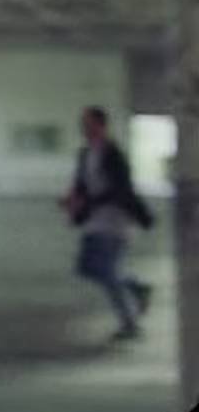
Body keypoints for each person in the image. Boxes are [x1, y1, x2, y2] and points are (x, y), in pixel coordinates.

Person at [61, 106, 154, 341]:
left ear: (101, 125)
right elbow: (81, 183)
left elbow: (120, 188)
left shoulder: (113, 153)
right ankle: (135, 288)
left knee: (107, 270)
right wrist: (73, 199)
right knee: (86, 267)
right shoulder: (85, 153)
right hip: (95, 218)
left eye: (89, 123)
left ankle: (130, 324)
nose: (84, 128)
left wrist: (89, 201)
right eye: (83, 123)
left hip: (115, 218)